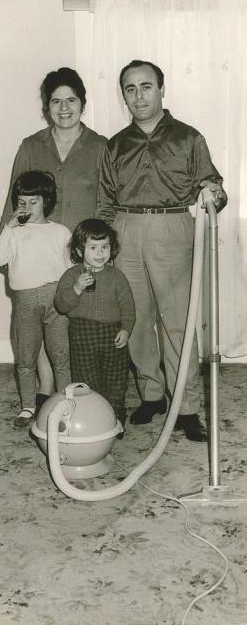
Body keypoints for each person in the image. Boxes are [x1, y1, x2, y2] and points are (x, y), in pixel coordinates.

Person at [96, 59, 227, 442]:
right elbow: (105, 201)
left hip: (173, 228)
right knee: (134, 320)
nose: (138, 96)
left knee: (178, 322)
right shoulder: (116, 144)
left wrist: (213, 194)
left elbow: (215, 190)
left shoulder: (189, 138)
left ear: (162, 89)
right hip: (126, 228)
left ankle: (185, 408)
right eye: (130, 89)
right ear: (123, 95)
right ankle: (152, 395)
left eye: (146, 86)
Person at [0, 67, 107, 408]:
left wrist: (102, 252)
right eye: (55, 101)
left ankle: (83, 392)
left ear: (82, 103)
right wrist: (9, 241)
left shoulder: (101, 147)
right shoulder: (31, 146)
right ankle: (45, 387)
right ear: (46, 107)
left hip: (81, 255)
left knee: (76, 322)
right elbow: (13, 201)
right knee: (39, 321)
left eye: (71, 100)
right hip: (35, 255)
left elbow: (106, 203)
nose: (63, 108)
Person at [0, 170, 72, 427]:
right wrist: (8, 227)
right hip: (25, 302)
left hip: (55, 301)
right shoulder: (14, 232)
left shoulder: (60, 232)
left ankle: (65, 405)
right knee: (26, 358)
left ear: (46, 202)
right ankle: (28, 407)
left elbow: (71, 267)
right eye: (21, 202)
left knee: (60, 356)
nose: (26, 207)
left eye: (33, 202)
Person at [54, 219, 136, 428]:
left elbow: (128, 307)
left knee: (115, 379)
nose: (100, 253)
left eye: (105, 247)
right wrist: (76, 289)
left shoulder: (117, 276)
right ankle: (91, 419)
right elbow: (61, 306)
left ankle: (115, 418)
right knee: (86, 379)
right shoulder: (71, 275)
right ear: (80, 251)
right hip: (83, 334)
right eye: (93, 247)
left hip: (112, 334)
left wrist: (126, 329)